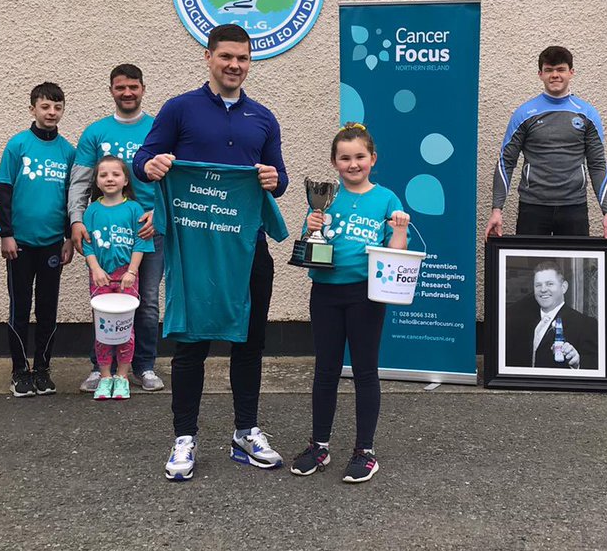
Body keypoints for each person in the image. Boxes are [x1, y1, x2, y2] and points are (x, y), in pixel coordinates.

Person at [132, 24, 288, 481]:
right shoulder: (180, 109)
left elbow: (279, 174)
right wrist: (152, 165)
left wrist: (272, 179)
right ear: (208, 57)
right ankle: (185, 436)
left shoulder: (263, 117)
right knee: (191, 344)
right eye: (226, 57)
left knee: (249, 342)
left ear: (249, 61)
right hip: (196, 249)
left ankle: (245, 430)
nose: (234, 65)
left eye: (242, 58)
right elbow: (144, 160)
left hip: (248, 248)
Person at [289, 123, 410, 484]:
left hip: (365, 295)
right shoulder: (326, 198)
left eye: (360, 157)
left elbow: (395, 257)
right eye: (345, 158)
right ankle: (320, 445)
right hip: (325, 292)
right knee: (325, 370)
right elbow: (310, 247)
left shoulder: (387, 199)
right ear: (334, 162)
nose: (353, 164)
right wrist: (310, 228)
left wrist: (400, 228)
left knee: (364, 371)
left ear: (372, 159)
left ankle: (365, 451)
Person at [70, 64, 164, 394]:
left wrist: (160, 216)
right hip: (104, 234)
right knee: (103, 301)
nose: (127, 92)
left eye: (133, 86)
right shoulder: (95, 132)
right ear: (111, 89)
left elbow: (174, 180)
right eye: (120, 87)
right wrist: (77, 221)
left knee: (147, 302)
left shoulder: (158, 128)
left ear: (142, 88)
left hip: (150, 232)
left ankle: (144, 366)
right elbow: (80, 182)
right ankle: (101, 368)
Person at [486, 46, 607, 240]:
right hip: (532, 207)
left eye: (560, 69)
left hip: (574, 208)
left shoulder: (587, 114)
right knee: (529, 270)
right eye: (549, 70)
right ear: (540, 74)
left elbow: (597, 164)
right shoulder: (524, 113)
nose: (555, 75)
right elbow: (505, 162)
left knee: (574, 271)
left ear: (571, 72)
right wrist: (497, 209)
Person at [0, 82, 76, 398]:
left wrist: (69, 237)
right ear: (33, 109)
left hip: (53, 244)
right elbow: (4, 191)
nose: (51, 112)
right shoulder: (17, 145)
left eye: (57, 107)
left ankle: (42, 369)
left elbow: (73, 198)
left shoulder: (68, 151)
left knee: (47, 308)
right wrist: (6, 234)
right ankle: (19, 371)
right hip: (21, 244)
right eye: (45, 107)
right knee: (20, 307)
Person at [82, 156, 153, 401]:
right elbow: (88, 245)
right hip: (101, 277)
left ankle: (122, 376)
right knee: (103, 330)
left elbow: (141, 242)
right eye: (103, 175)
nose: (110, 179)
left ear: (125, 180)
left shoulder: (134, 209)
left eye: (115, 174)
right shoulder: (92, 211)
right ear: (97, 182)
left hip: (126, 277)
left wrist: (131, 272)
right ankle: (105, 376)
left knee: (124, 328)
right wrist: (96, 270)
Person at [503, 261, 597, 370]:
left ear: (564, 287)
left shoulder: (586, 325)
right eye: (538, 285)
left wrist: (577, 362)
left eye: (549, 284)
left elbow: (596, 366)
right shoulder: (523, 322)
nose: (543, 290)